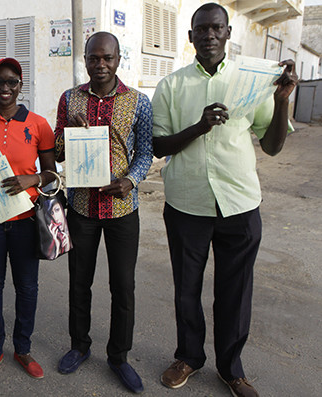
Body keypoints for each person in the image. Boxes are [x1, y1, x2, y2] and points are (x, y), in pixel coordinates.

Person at [151, 4, 298, 397]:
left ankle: (231, 369)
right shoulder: (172, 86)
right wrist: (199, 127)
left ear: (229, 33)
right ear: (191, 37)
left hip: (239, 204)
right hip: (187, 204)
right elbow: (158, 145)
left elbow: (271, 145)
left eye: (217, 28)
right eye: (202, 29)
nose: (210, 35)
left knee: (236, 290)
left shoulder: (253, 82)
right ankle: (188, 357)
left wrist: (282, 99)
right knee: (187, 288)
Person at [52, 32, 153, 393]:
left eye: (107, 58)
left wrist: (131, 180)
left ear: (118, 58)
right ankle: (79, 345)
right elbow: (58, 152)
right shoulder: (70, 99)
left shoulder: (138, 102)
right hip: (82, 207)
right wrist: (70, 130)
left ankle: (118, 356)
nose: (100, 65)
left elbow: (145, 152)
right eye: (94, 58)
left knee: (123, 286)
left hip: (123, 208)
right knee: (80, 282)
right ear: (85, 59)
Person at [0, 57, 56, 379]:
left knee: (27, 286)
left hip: (25, 219)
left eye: (11, 82)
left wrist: (33, 180)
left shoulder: (38, 125)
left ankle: (23, 348)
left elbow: (51, 175)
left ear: (20, 85)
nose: (4, 88)